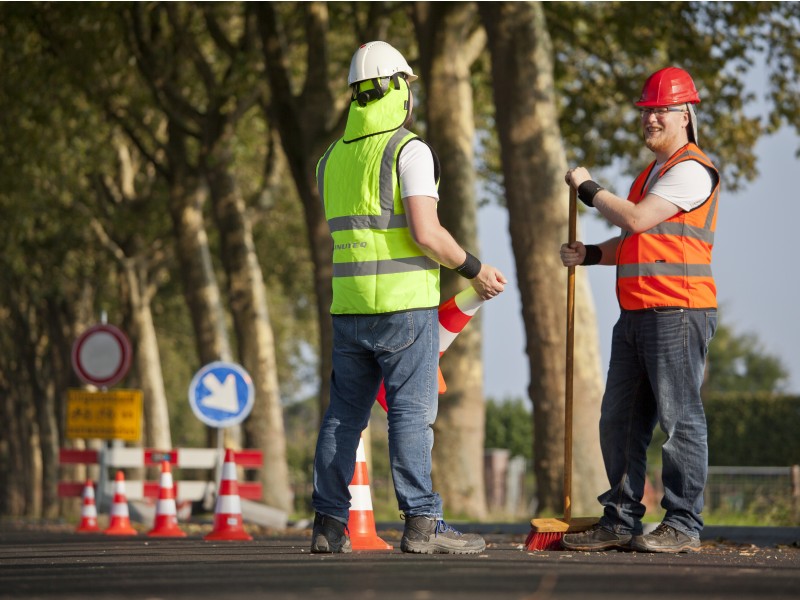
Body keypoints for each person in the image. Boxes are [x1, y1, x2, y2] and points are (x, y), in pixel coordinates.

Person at [310, 41, 507, 554]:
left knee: (342, 416)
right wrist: (474, 268)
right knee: (410, 415)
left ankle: (329, 526)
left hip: (349, 309)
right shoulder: (408, 150)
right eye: (408, 87)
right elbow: (426, 232)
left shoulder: (330, 159)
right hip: (404, 309)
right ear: (396, 89)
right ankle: (423, 524)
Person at [559, 67, 719, 553]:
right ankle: (621, 518)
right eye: (646, 111)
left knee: (679, 418)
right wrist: (591, 254)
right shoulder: (651, 174)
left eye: (660, 111)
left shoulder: (693, 170)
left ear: (686, 115)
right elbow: (632, 238)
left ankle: (684, 524)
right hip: (635, 314)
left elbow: (636, 217)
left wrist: (588, 188)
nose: (650, 119)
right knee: (619, 419)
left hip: (677, 311)